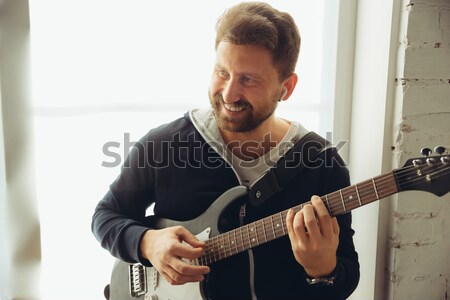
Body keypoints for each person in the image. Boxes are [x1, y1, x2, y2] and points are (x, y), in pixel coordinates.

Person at [92, 2, 360, 299]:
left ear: (287, 87)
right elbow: (106, 215)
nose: (229, 93)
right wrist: (146, 243)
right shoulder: (162, 144)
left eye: (249, 80)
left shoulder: (321, 163)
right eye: (222, 72)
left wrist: (323, 270)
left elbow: (346, 278)